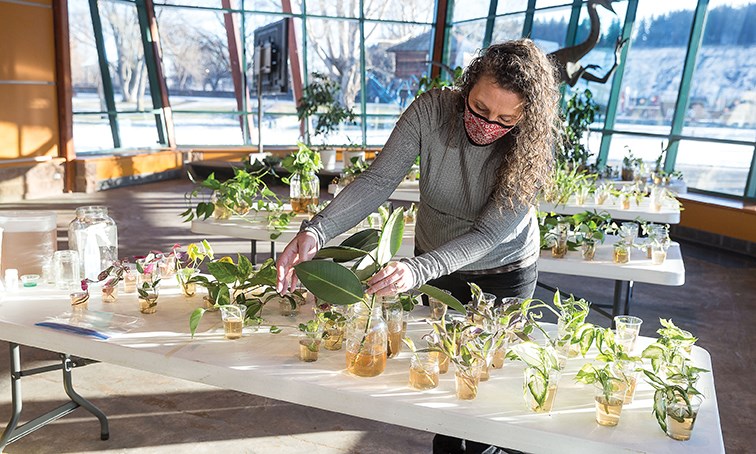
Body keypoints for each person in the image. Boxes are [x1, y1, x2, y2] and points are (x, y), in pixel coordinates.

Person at [276, 39, 559, 453]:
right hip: (436, 265)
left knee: (483, 386)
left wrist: (418, 269)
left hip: (504, 272)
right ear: (466, 89)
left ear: (525, 119)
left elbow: (487, 235)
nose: (488, 125)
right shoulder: (431, 111)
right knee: (445, 383)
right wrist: (316, 231)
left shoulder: (532, 149)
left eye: (505, 120)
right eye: (479, 109)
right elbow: (377, 182)